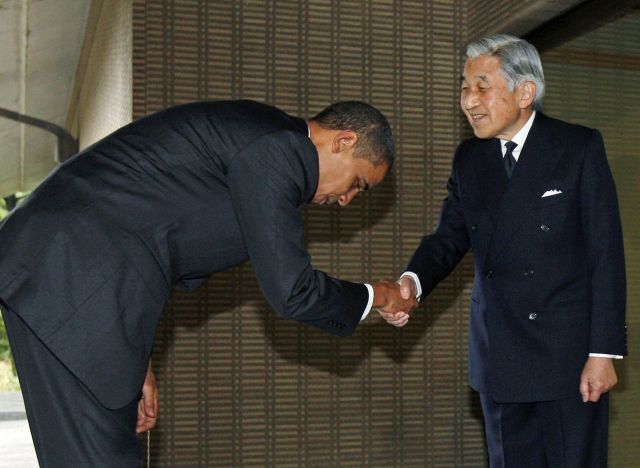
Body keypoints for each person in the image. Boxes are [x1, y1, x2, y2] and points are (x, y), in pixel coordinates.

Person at [0, 99, 416, 467]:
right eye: (359, 184)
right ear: (343, 141)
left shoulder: (265, 140)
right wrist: (379, 295)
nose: (347, 200)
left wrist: (136, 359)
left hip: (81, 281)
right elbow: (292, 291)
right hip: (72, 276)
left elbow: (150, 233)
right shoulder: (279, 149)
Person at [381, 35, 627, 467]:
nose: (468, 101)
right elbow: (449, 237)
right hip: (499, 355)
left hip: (568, 360)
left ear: (525, 92)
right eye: (463, 87)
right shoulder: (470, 159)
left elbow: (606, 255)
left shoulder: (577, 147)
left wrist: (603, 352)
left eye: (481, 86)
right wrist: (411, 282)